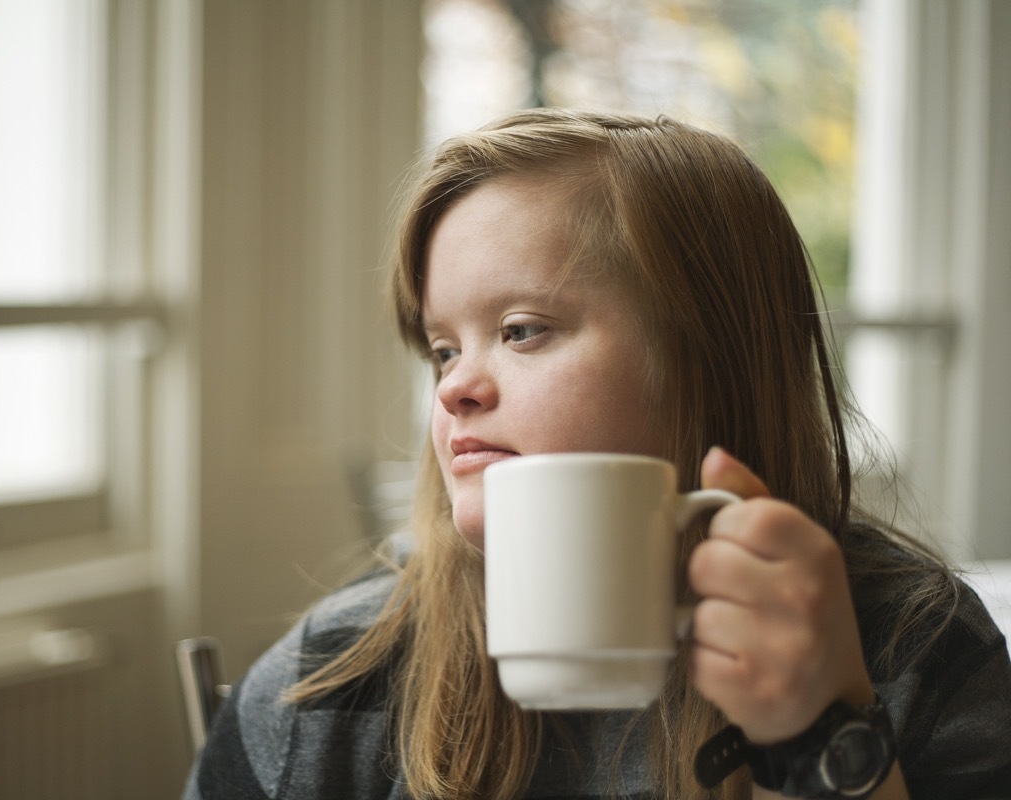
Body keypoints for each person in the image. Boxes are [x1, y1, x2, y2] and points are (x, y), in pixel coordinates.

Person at [182, 109, 1011, 799]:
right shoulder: (332, 679)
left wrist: (825, 732)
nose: (454, 389)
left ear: (708, 359)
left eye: (520, 331)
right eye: (441, 348)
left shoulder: (913, 650)